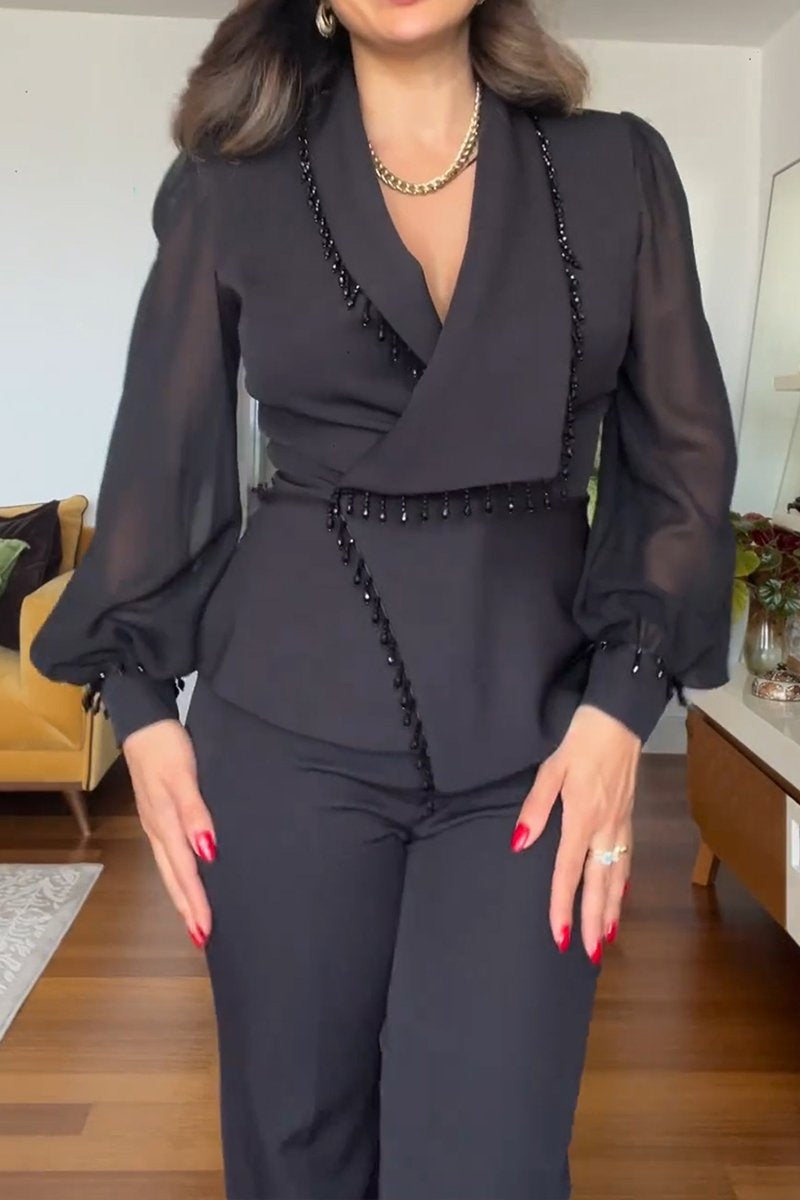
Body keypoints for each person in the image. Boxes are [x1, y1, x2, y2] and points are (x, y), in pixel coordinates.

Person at [30, 0, 738, 1196]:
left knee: (490, 1161)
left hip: (540, 745)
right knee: (296, 1144)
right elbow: (161, 454)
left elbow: (680, 461)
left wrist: (621, 710)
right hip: (281, 739)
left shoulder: (616, 168)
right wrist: (141, 715)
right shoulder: (230, 185)